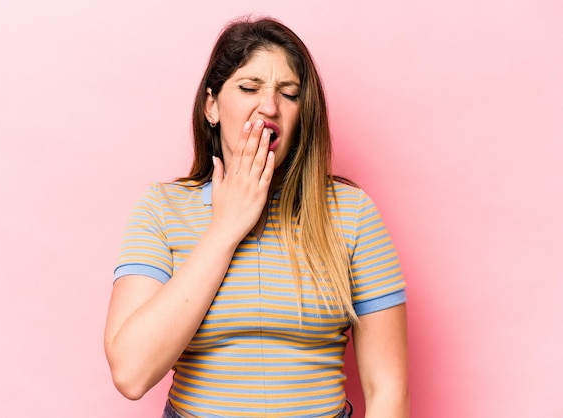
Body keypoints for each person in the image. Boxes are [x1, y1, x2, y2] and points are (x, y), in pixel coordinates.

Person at [104, 16, 409, 418]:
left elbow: (387, 389)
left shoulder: (352, 214)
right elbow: (131, 373)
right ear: (211, 105)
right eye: (249, 88)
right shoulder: (162, 209)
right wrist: (227, 226)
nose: (269, 106)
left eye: (289, 93)